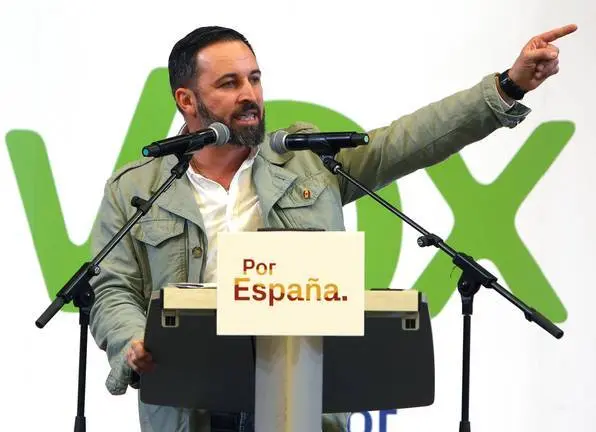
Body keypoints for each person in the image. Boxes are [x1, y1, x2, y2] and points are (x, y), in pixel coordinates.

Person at [88, 24, 577, 432]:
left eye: (255, 79)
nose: (250, 96)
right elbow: (113, 289)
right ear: (186, 99)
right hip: (188, 411)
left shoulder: (307, 161)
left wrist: (507, 87)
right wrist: (132, 341)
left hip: (302, 402)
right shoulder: (138, 187)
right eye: (230, 84)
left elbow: (407, 141)